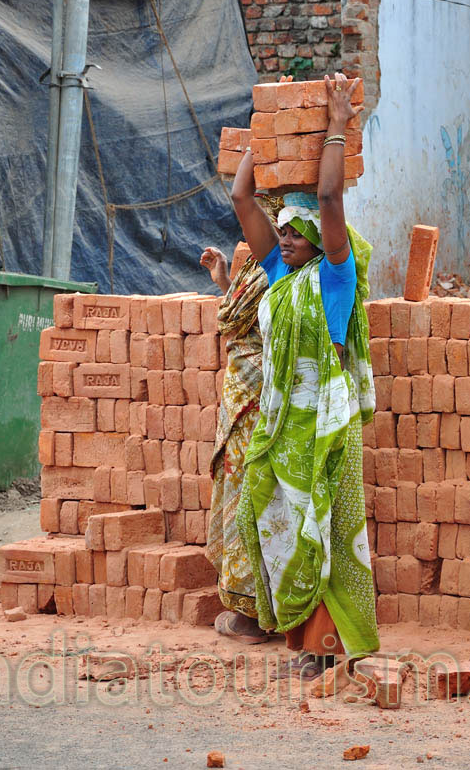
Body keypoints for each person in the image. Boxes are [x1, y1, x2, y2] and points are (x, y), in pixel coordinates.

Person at [231, 72, 378, 679]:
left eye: (297, 232)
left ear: (320, 238)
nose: (287, 238)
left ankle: (332, 646)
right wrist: (264, 141)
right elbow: (243, 199)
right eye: (283, 230)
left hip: (326, 423)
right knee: (273, 518)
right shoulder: (281, 277)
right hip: (282, 422)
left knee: (328, 530)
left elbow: (329, 200)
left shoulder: (335, 277)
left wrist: (337, 127)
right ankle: (303, 641)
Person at [199, 232, 271, 644]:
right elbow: (247, 315)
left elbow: (234, 319)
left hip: (255, 408)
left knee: (247, 499)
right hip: (257, 403)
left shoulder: (277, 260)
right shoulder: (270, 262)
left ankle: (248, 615)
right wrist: (226, 281)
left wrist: (232, 290)